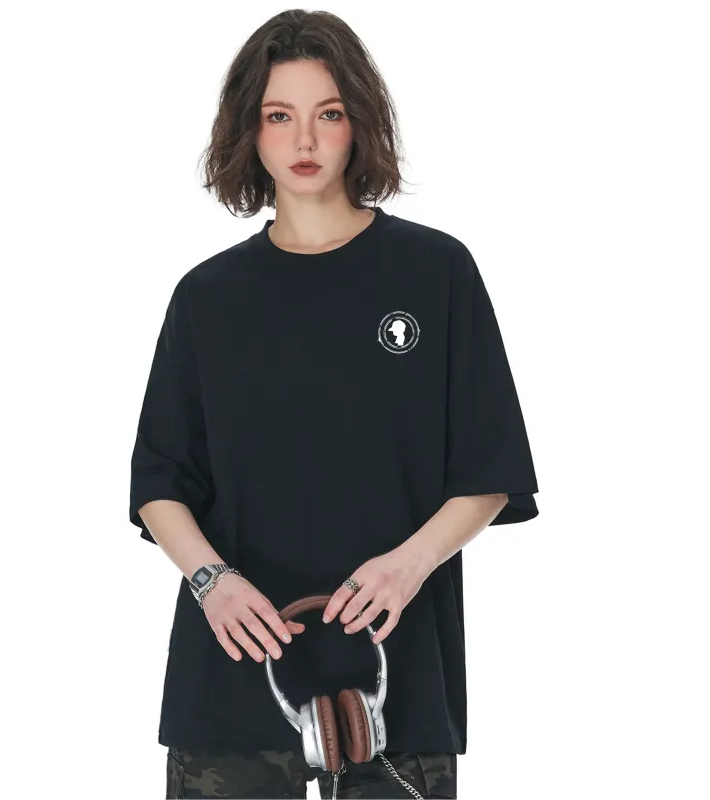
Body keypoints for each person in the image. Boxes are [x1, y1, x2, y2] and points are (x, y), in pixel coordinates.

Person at [129, 9, 539, 799]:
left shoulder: (436, 272)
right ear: (249, 130)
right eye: (279, 116)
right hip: (233, 673)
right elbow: (159, 481)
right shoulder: (207, 297)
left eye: (329, 113)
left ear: (361, 123)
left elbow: (490, 468)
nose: (305, 141)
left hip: (396, 675)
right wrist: (213, 582)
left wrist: (407, 567)